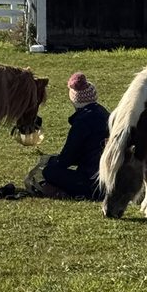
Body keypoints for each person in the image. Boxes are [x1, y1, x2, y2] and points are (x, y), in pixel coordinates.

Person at [27, 71, 109, 199]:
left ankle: (67, 193)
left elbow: (67, 159)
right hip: (108, 177)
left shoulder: (82, 122)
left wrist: (50, 161)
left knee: (49, 172)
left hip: (91, 182)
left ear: (74, 99)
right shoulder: (104, 113)